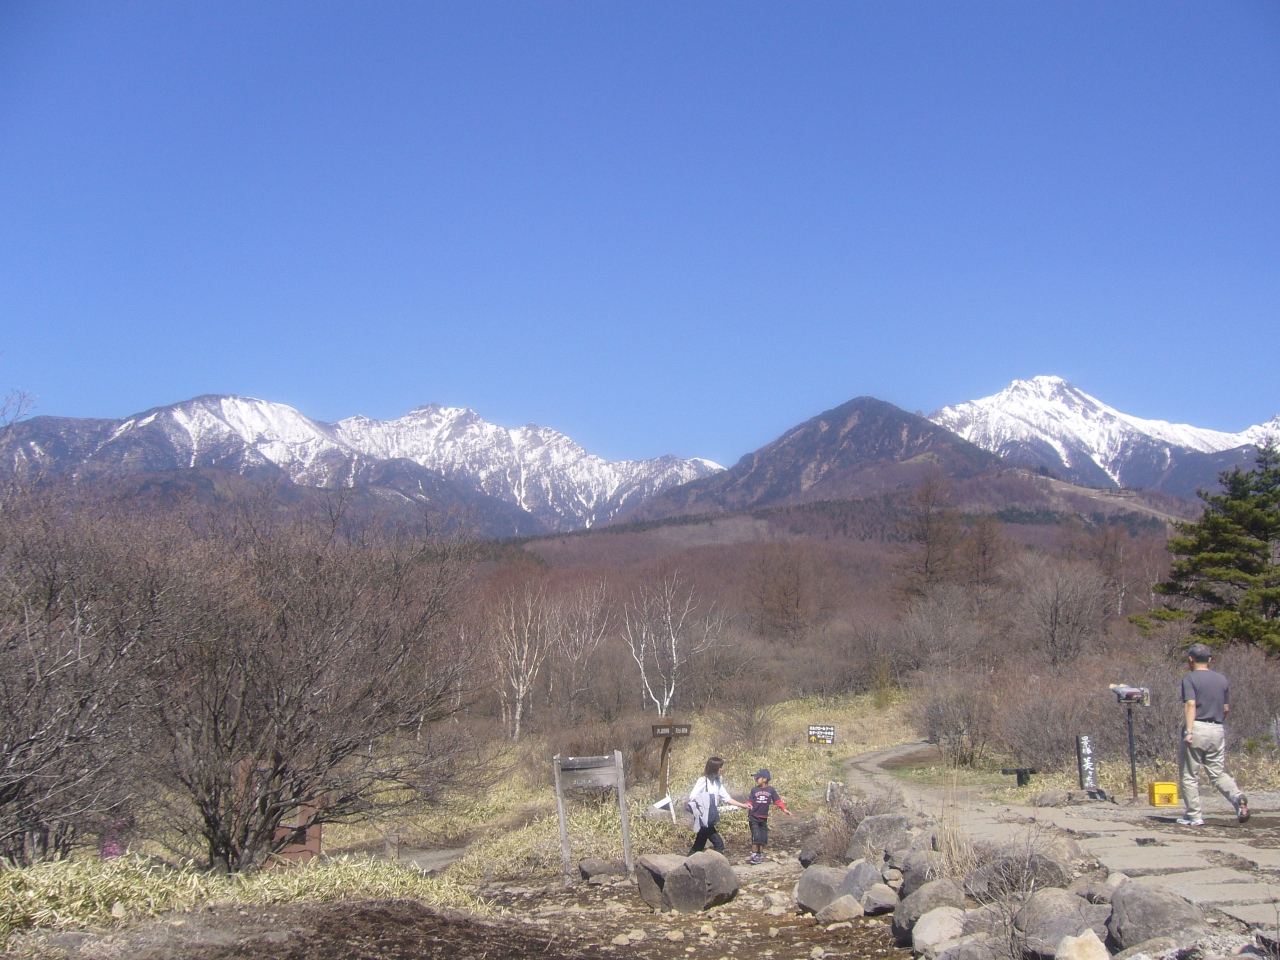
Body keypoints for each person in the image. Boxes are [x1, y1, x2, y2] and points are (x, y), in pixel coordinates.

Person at [1178, 643, 1249, 826]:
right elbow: (1226, 708)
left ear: (1190, 659)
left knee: (1189, 775)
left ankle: (1194, 815)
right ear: (1209, 659)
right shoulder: (1222, 679)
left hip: (1197, 726)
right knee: (1217, 772)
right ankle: (1237, 797)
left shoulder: (1190, 678)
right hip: (1217, 728)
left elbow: (1190, 704)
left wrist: (1189, 730)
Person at [687, 756, 750, 855]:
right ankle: (716, 866)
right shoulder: (703, 781)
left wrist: (742, 805)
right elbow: (692, 797)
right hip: (704, 818)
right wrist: (704, 801)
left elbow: (726, 798)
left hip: (711, 817)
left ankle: (686, 863)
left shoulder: (717, 783)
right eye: (720, 767)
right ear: (714, 767)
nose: (722, 769)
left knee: (699, 845)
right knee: (719, 844)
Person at [746, 769, 791, 864]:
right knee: (756, 836)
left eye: (758, 778)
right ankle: (754, 855)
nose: (756, 779)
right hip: (753, 816)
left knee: (763, 837)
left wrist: (784, 809)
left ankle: (760, 855)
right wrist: (747, 805)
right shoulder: (754, 790)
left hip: (763, 818)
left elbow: (777, 801)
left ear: (765, 779)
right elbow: (750, 800)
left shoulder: (771, 790)